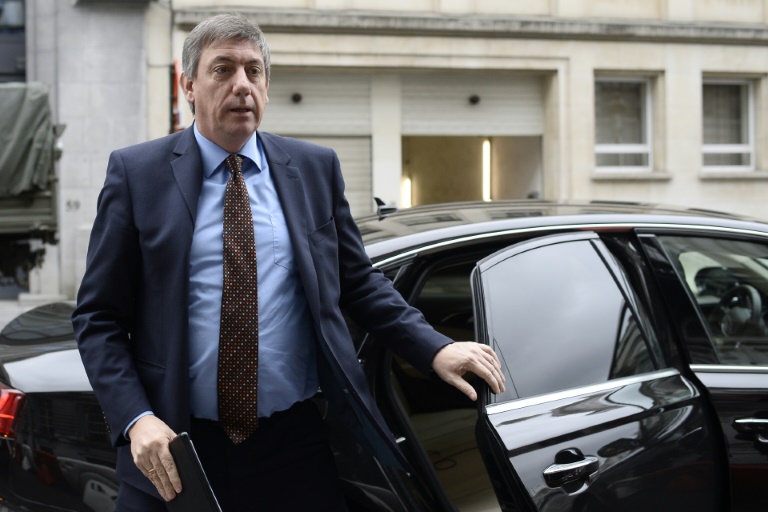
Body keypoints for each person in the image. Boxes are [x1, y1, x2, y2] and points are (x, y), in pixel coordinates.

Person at [72, 13, 505, 512]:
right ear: (188, 85)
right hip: (174, 448)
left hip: (291, 446)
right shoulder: (137, 173)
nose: (241, 85)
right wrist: (136, 419)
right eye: (223, 70)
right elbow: (98, 317)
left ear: (266, 86)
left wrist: (434, 347)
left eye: (253, 71)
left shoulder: (314, 168)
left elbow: (357, 282)